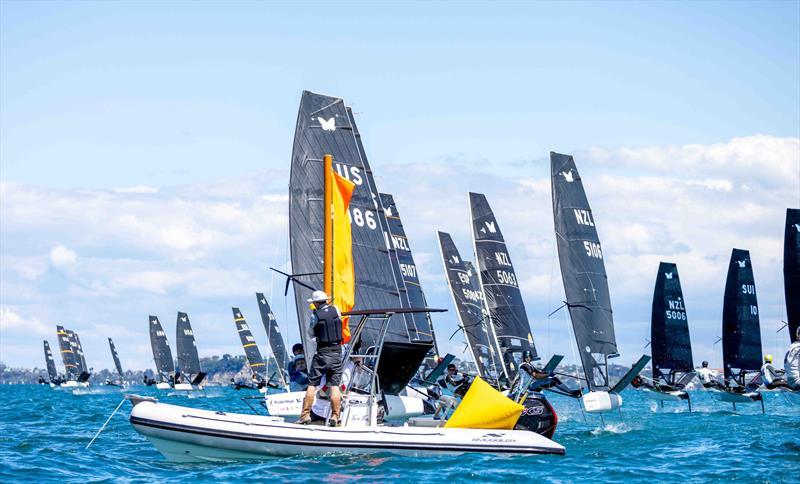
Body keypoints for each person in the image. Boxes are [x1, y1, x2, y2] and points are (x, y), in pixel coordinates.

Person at [296, 291, 344, 426]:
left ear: (317, 302)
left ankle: (305, 415)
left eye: (313, 303)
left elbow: (310, 333)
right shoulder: (336, 309)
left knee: (312, 384)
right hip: (337, 352)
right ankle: (336, 416)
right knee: (335, 386)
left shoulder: (315, 315)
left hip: (322, 352)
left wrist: (317, 338)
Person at [518, 350, 582, 398]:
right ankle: (572, 392)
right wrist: (548, 375)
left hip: (532, 385)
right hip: (530, 387)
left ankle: (572, 392)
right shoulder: (525, 365)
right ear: (527, 357)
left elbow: (539, 373)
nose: (531, 359)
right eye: (530, 357)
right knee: (554, 380)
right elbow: (536, 375)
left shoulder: (527, 365)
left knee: (554, 379)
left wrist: (547, 372)